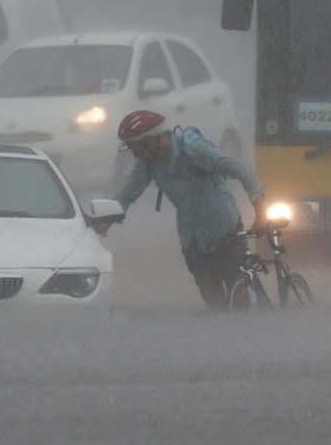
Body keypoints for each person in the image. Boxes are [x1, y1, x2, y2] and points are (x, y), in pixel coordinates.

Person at [103, 110, 266, 311]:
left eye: (136, 147)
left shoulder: (192, 148)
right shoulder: (147, 164)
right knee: (214, 303)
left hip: (225, 229)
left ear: (152, 140)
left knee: (239, 301)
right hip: (193, 239)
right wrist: (103, 222)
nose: (135, 154)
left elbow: (242, 170)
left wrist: (261, 211)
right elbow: (126, 194)